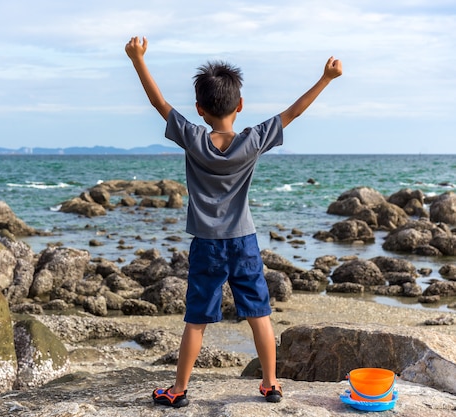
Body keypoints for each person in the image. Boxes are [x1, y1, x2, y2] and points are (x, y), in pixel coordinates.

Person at [125, 36, 342, 408]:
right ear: (240, 105)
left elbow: (158, 103)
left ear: (199, 108)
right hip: (243, 240)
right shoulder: (253, 139)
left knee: (197, 320)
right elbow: (294, 112)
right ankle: (271, 384)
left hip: (206, 243)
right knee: (259, 312)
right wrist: (326, 78)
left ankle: (178, 391)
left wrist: (137, 59)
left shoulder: (193, 137)